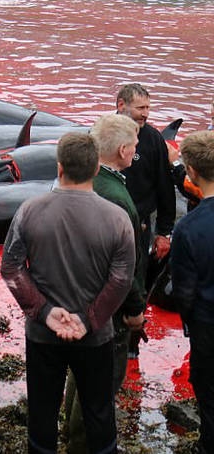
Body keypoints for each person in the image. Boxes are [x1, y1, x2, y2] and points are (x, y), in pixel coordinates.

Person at [1, 132, 136, 454]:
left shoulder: (30, 210)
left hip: (42, 335)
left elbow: (11, 269)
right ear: (94, 169)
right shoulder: (117, 218)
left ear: (59, 167)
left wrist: (45, 312)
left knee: (42, 413)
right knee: (99, 414)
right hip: (95, 336)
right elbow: (121, 279)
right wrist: (88, 321)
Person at [64, 114, 146, 453]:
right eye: (136, 148)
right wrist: (134, 309)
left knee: (77, 373)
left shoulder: (83, 181)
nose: (136, 154)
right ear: (123, 150)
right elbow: (125, 267)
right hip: (106, 307)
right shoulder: (116, 197)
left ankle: (70, 431)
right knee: (99, 384)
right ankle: (82, 444)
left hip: (75, 296)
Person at [170, 130, 214, 454]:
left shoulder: (187, 228)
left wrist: (189, 320)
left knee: (208, 391)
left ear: (193, 173)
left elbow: (183, 291)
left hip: (207, 322)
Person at [116, 83, 176, 304]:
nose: (146, 114)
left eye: (148, 108)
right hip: (105, 219)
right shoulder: (100, 132)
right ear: (121, 105)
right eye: (141, 108)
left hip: (139, 225)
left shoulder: (152, 138)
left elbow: (165, 187)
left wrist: (164, 231)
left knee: (136, 279)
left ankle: (133, 319)